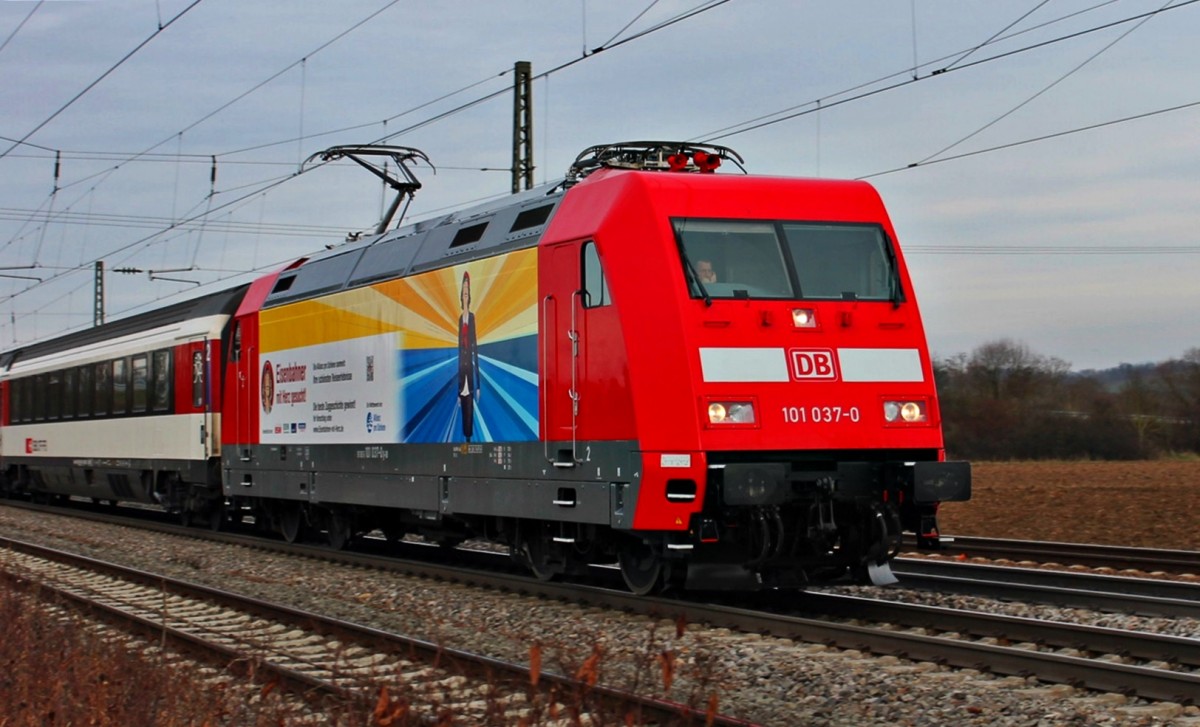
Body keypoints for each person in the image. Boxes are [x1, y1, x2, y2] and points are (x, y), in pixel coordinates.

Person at [457, 271, 480, 440]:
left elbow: (475, 348)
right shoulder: (460, 319)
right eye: (463, 292)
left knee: (469, 411)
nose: (466, 295)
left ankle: (469, 440)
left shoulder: (471, 318)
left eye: (467, 293)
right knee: (463, 405)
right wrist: (458, 391)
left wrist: (478, 384)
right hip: (462, 374)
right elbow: (459, 351)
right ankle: (465, 440)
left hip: (470, 373)